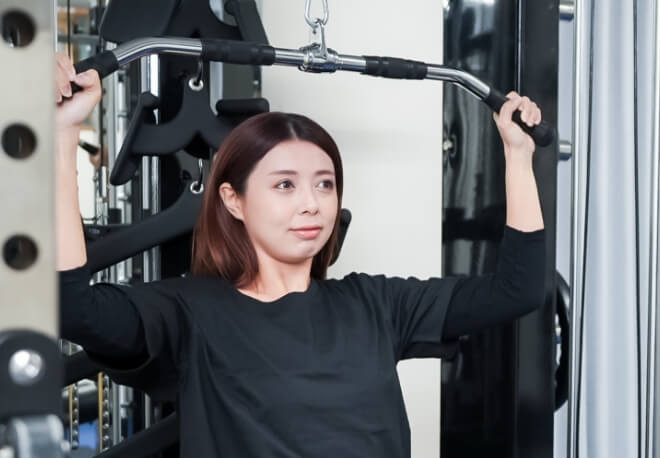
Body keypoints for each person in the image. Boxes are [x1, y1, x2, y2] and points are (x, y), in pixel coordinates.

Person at [55, 51, 545, 457]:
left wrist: (518, 156)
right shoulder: (192, 313)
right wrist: (63, 137)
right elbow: (74, 308)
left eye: (324, 184)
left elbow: (516, 291)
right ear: (233, 200)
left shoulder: (374, 305)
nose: (312, 203)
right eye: (285, 185)